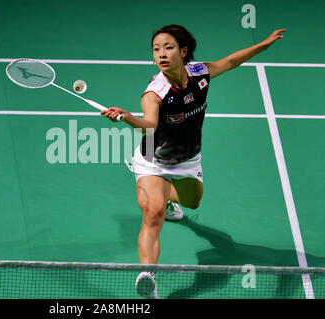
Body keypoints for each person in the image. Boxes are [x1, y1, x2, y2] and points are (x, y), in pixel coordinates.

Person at [101, 24, 286, 299]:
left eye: (168, 47)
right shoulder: (155, 92)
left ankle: (168, 197)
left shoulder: (199, 73)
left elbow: (231, 61)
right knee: (152, 215)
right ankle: (147, 277)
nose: (161, 54)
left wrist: (263, 45)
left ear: (183, 51)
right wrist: (127, 117)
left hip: (187, 158)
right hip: (154, 158)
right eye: (156, 49)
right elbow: (149, 125)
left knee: (193, 202)